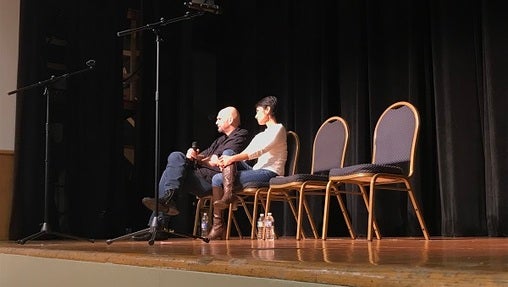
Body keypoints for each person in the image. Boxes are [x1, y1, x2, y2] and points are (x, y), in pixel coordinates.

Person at [139, 106, 249, 239]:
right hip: (199, 175)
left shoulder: (240, 135)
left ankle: (160, 221)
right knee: (176, 158)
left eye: (219, 119)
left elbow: (219, 161)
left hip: (212, 182)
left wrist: (202, 160)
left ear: (230, 119)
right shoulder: (220, 140)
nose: (216, 122)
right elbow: (206, 156)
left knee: (169, 174)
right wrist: (195, 156)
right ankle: (165, 206)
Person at [206, 96, 287, 240]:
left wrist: (231, 159)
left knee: (223, 169)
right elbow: (243, 153)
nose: (256, 116)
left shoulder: (278, 129)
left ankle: (225, 206)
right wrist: (223, 161)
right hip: (257, 170)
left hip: (270, 173)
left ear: (268, 110)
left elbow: (256, 152)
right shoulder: (260, 135)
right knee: (225, 160)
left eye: (258, 111)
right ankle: (221, 217)